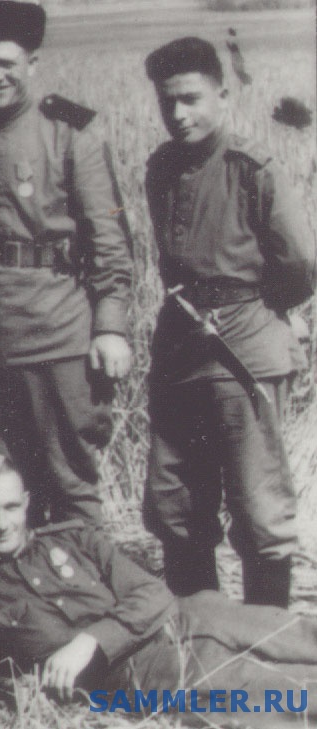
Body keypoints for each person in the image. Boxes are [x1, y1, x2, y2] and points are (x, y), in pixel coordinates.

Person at [0, 451, 317, 728]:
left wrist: (89, 641)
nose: (2, 523)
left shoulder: (74, 538)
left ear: (26, 503)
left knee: (291, 631)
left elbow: (152, 593)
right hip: (138, 674)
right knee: (278, 691)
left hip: (185, 615)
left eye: (10, 507)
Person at [0, 0, 133, 526]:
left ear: (32, 63)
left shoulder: (69, 132)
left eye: (6, 63)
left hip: (57, 335)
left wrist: (110, 326)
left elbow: (110, 240)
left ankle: (85, 576)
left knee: (69, 482)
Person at [142, 37, 316, 606]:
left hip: (243, 346)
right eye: (168, 101)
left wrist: (261, 314)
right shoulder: (162, 168)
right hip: (180, 345)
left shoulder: (252, 167)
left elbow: (300, 265)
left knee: (256, 495)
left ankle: (265, 634)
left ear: (222, 95)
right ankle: (203, 628)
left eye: (191, 99)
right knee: (176, 496)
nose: (178, 113)